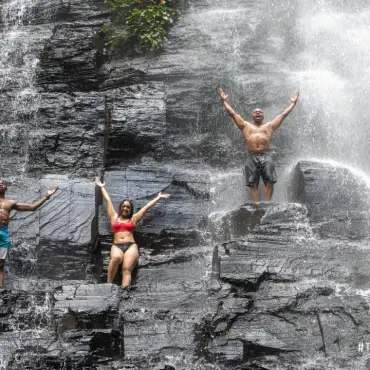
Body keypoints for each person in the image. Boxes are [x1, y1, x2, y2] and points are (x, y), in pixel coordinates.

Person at [217, 87, 299, 203]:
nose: (258, 113)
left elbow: (283, 114)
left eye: (260, 112)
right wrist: (224, 101)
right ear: (252, 116)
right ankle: (256, 206)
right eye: (255, 112)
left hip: (266, 156)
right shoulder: (245, 126)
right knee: (253, 184)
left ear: (263, 116)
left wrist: (293, 104)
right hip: (251, 156)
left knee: (269, 181)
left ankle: (266, 204)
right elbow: (232, 113)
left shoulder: (270, 126)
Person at [95, 179, 170, 286]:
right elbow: (108, 201)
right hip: (117, 245)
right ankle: (108, 285)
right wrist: (101, 186)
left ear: (131, 210)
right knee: (115, 258)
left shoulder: (133, 219)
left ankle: (125, 291)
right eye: (124, 206)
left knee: (126, 269)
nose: (126, 208)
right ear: (121, 207)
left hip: (131, 246)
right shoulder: (114, 217)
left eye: (128, 207)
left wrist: (158, 197)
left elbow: (146, 207)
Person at [0, 180, 58, 286]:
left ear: (6, 187)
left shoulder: (11, 203)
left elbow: (32, 207)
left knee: (1, 264)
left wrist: (47, 196)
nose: (0, 184)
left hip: (3, 231)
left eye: (2, 183)